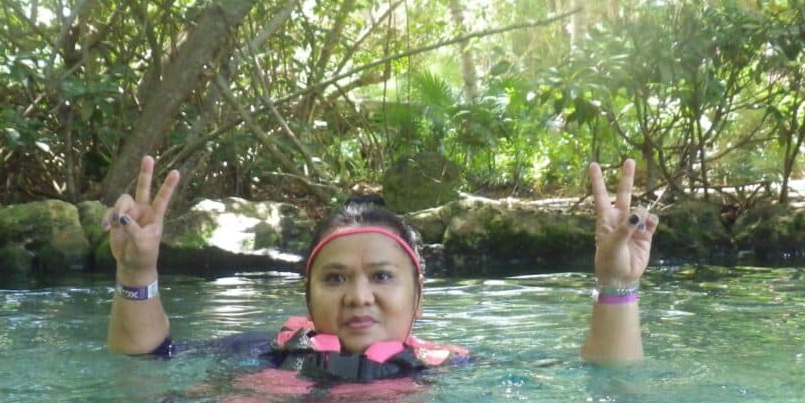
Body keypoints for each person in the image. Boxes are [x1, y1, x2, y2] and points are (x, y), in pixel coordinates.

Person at [104, 155, 659, 369]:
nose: (359, 296)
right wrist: (136, 275)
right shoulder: (269, 354)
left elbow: (602, 383)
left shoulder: (446, 371)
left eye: (382, 276)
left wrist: (616, 286)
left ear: (418, 297)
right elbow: (147, 358)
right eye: (336, 278)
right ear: (309, 295)